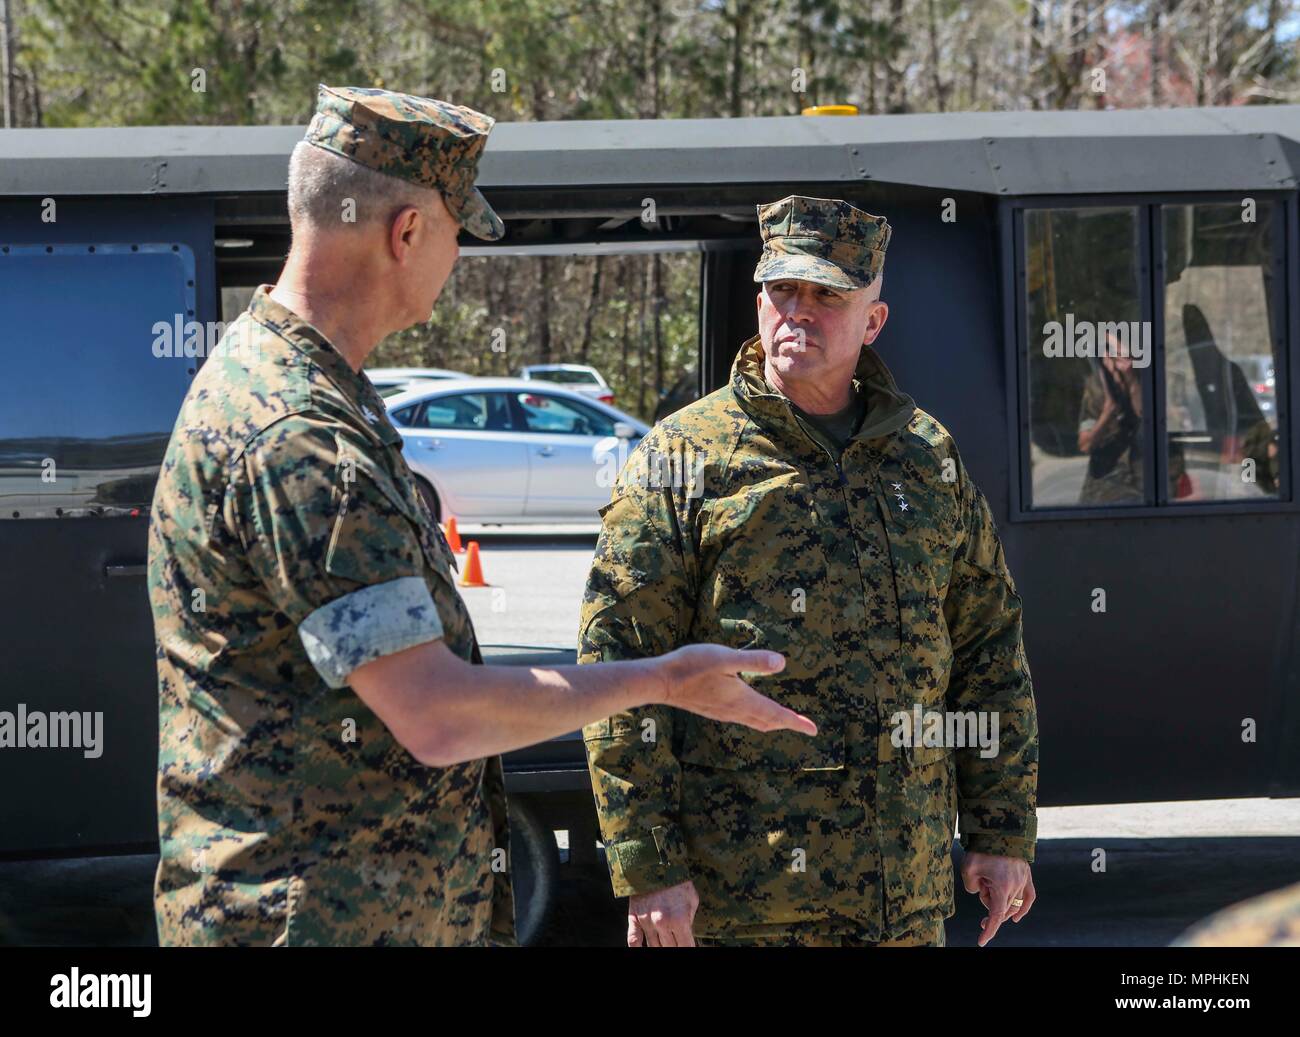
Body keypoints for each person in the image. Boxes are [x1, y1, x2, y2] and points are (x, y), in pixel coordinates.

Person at [147, 85, 813, 948]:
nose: (459, 257)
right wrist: (666, 677)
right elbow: (441, 715)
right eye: (458, 232)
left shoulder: (306, 388)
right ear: (408, 232)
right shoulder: (298, 430)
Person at [579, 195, 1039, 947]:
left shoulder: (926, 458)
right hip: (747, 906)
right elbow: (619, 668)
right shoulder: (682, 457)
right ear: (758, 301)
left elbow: (989, 652)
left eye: (828, 294)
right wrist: (648, 865)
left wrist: (1002, 829)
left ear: (873, 321)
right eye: (783, 291)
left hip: (905, 901)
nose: (799, 312)